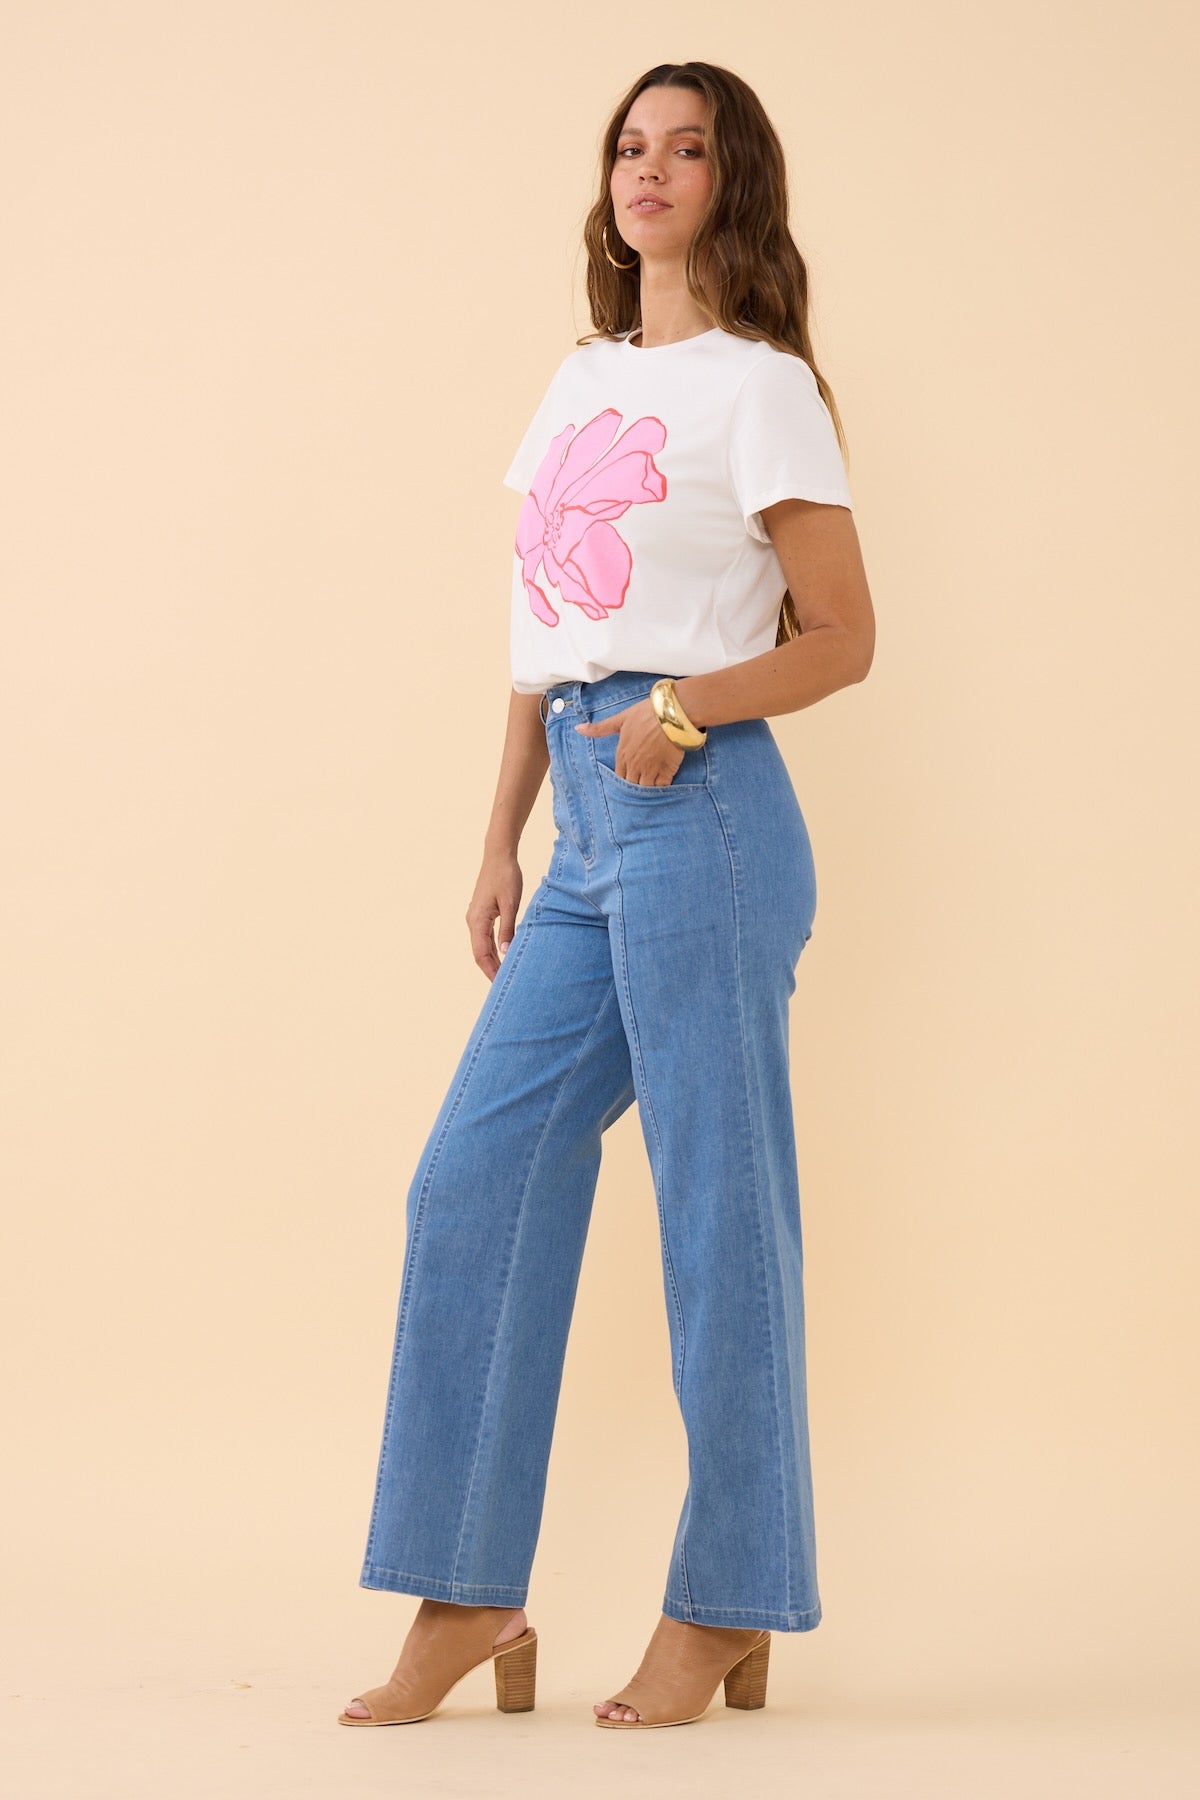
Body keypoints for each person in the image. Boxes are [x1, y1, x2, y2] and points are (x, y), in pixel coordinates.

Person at [339, 60, 874, 1732]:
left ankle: (727, 1598)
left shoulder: (762, 389)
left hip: (702, 812)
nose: (650, 170)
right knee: (472, 1181)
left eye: (686, 147)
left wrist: (675, 715)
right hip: (584, 824)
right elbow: (538, 632)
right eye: (629, 147)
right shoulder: (578, 381)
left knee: (723, 1219)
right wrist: (501, 834)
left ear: (735, 180)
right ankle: (472, 1589)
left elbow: (841, 637)